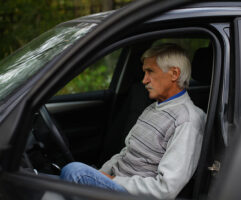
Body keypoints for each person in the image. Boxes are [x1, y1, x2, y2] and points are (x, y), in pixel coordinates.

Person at [60, 43, 206, 199]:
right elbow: (126, 153)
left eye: (150, 72)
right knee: (45, 179)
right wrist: (101, 175)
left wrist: (111, 180)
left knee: (74, 171)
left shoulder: (188, 120)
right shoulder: (152, 108)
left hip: (134, 195)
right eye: (144, 73)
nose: (144, 80)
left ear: (174, 73)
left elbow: (166, 189)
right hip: (116, 184)